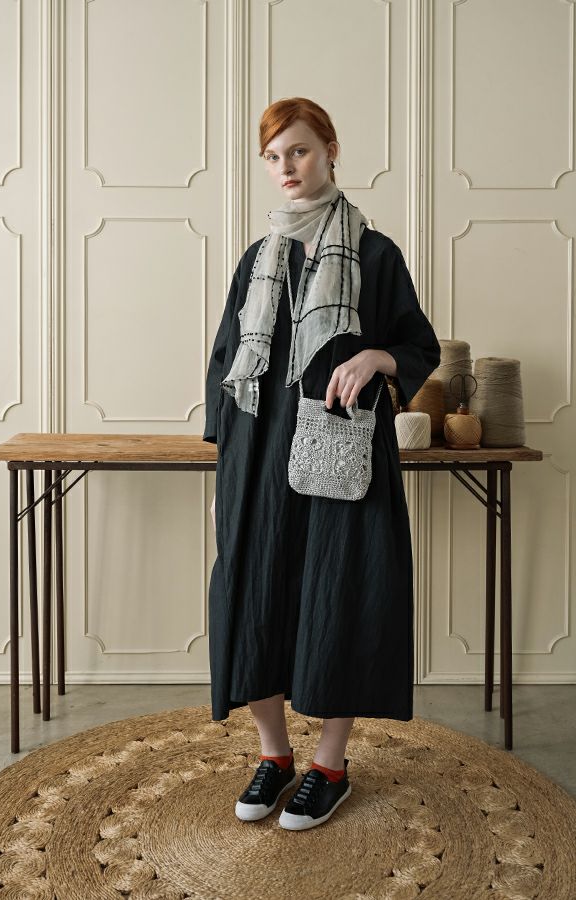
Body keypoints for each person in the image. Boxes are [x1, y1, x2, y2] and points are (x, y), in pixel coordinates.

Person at [202, 97, 441, 831]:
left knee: (342, 594)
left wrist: (376, 357)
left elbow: (419, 346)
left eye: (299, 151)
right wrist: (226, 472)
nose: (287, 168)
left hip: (343, 454)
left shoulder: (374, 253)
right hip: (257, 457)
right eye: (273, 157)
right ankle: (274, 756)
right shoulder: (258, 258)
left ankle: (330, 766)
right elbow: (225, 362)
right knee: (252, 596)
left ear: (330, 150)